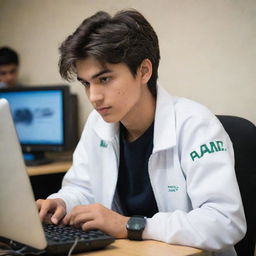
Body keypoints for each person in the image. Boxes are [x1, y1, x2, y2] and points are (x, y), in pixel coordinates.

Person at [37, 9, 246, 255]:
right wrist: (62, 202)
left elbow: (225, 222)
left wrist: (129, 226)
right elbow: (83, 188)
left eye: (104, 79)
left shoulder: (196, 124)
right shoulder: (98, 123)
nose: (93, 97)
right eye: (86, 83)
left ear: (144, 71)